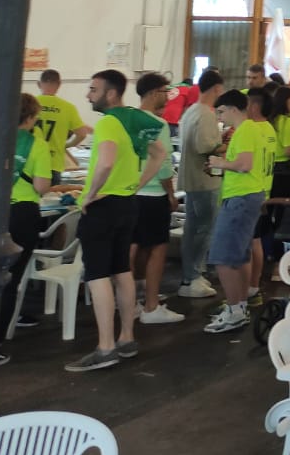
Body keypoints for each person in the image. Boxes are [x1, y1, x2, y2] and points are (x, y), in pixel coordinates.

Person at [66, 69, 168, 372]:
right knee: (122, 270)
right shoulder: (137, 120)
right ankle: (126, 338)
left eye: (93, 90)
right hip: (127, 204)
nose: (88, 95)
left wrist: (90, 194)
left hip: (104, 206)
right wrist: (137, 183)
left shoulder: (109, 122)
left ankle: (105, 347)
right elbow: (160, 153)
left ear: (110, 93)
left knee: (98, 276)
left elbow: (107, 161)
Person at [203, 88, 278, 335]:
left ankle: (234, 308)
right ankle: (240, 305)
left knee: (222, 256)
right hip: (251, 194)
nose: (220, 117)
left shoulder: (245, 130)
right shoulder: (258, 129)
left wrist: (219, 163)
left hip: (241, 196)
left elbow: (244, 164)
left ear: (234, 109)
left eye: (222, 112)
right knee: (240, 254)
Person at [0, 92, 55, 363]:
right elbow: (42, 186)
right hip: (22, 213)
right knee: (9, 280)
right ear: (30, 118)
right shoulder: (37, 145)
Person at [130, 73, 181, 326]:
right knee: (158, 250)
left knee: (133, 248)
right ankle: (151, 306)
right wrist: (171, 194)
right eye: (165, 91)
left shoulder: (127, 120)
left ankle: (129, 303)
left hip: (130, 193)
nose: (168, 96)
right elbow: (163, 165)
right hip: (153, 195)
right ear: (152, 93)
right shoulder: (157, 125)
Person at [176, 69, 224, 299]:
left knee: (194, 229)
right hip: (203, 180)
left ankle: (193, 273)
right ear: (217, 88)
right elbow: (205, 146)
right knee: (201, 230)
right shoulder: (205, 113)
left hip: (193, 179)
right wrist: (226, 144)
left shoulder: (191, 111)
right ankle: (192, 276)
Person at [35, 69, 90, 167]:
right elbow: (82, 134)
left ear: (39, 84)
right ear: (59, 84)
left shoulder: (30, 104)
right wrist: (67, 145)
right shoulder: (68, 108)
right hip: (54, 162)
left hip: (31, 162)